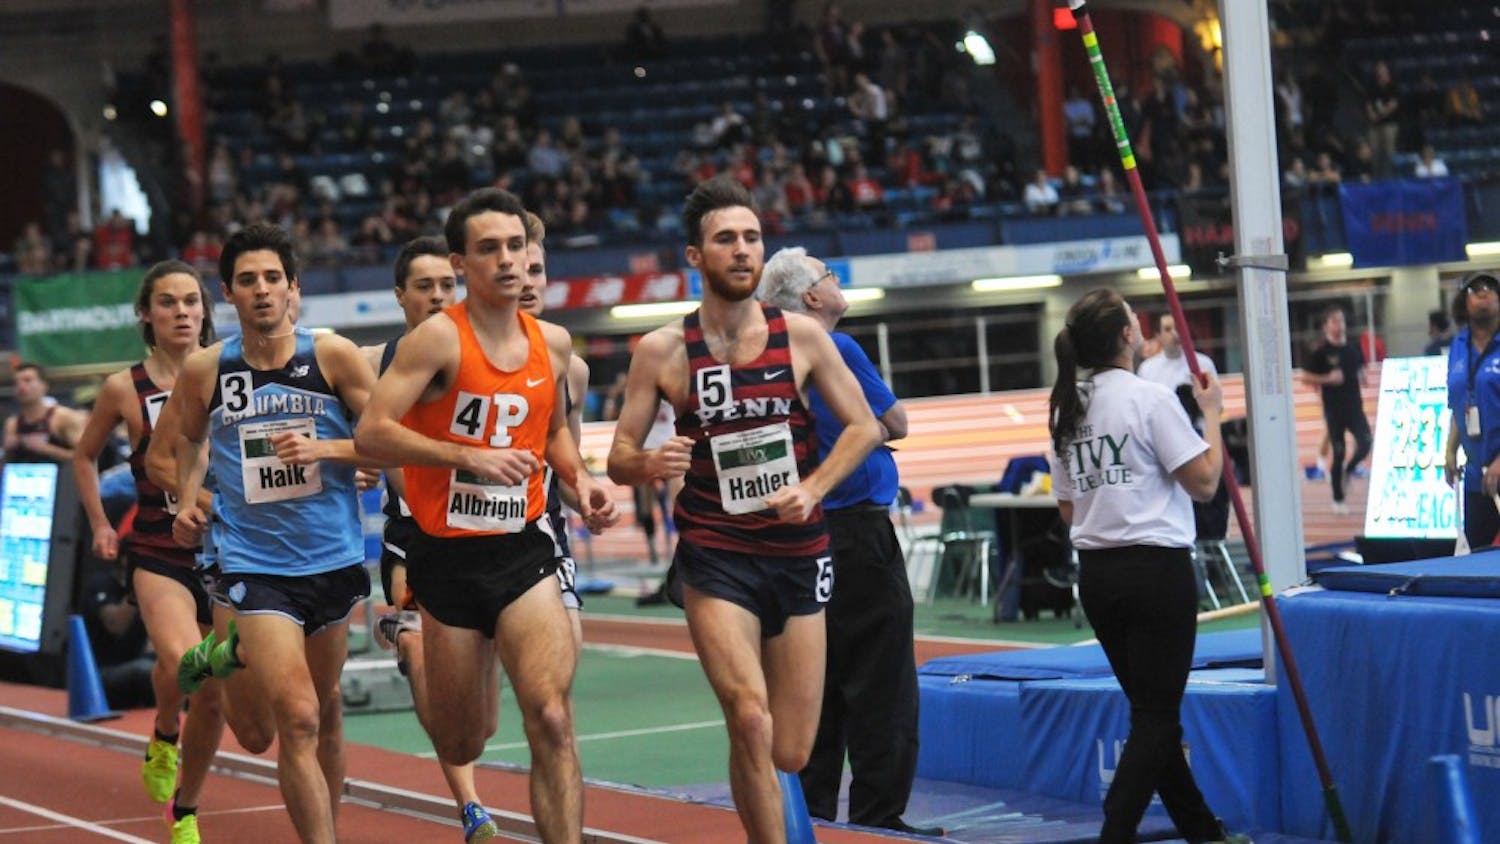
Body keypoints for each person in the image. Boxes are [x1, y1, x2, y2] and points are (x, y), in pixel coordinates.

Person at [605, 176, 880, 843]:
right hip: (715, 554)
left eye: (752, 238)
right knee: (747, 717)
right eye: (725, 239)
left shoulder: (804, 339)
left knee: (788, 747)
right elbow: (617, 455)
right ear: (695, 257)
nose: (741, 250)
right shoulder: (663, 352)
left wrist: (813, 488)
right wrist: (648, 463)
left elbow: (865, 427)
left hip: (798, 551)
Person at [354, 188, 616, 844]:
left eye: (516, 247)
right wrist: (459, 454)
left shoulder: (552, 344)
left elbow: (552, 432)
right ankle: (433, 662)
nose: (506, 261)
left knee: (552, 718)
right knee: (464, 737)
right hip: (445, 559)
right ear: (461, 263)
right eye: (488, 249)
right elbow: (372, 433)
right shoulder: (436, 341)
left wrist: (583, 483)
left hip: (523, 551)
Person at [162, 222, 378, 844]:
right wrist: (187, 500)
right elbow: (186, 441)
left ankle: (225, 655)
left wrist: (332, 450)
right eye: (248, 281)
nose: (262, 291)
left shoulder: (333, 356)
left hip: (334, 560)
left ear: (294, 290)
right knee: (298, 717)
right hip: (255, 566)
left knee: (325, 713)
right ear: (228, 294)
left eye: (273, 279)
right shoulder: (208, 368)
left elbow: (386, 439)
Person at [1048, 288, 1249, 844]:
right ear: (1126, 336)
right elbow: (1206, 483)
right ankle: (1116, 830)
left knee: (1153, 715)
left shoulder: (1068, 407)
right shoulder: (1149, 400)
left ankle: (1202, 832)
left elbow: (1068, 508)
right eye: (1134, 319)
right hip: (1155, 573)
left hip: (1099, 577)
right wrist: (1212, 417)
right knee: (1156, 717)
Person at [757, 247, 938, 836]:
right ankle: (879, 817)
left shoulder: (769, 355)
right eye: (831, 274)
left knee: (816, 680)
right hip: (855, 530)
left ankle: (811, 817)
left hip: (798, 537)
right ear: (811, 297)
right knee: (881, 680)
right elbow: (896, 423)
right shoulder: (836, 347)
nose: (839, 280)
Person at [71, 260, 223, 844]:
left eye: (191, 301)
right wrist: (98, 525)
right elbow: (84, 457)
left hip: (224, 549)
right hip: (158, 549)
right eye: (168, 302)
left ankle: (185, 806)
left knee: (207, 690)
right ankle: (165, 730)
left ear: (205, 310)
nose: (182, 312)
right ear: (146, 313)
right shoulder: (123, 387)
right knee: (191, 665)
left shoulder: (228, 371)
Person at [359, 236, 503, 842]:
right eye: (425, 287)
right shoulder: (371, 362)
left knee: (482, 715)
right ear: (401, 297)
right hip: (413, 538)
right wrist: (357, 462)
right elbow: (350, 433)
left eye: (447, 285)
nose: (439, 296)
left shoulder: (480, 353)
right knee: (423, 655)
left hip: (489, 532)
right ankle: (470, 804)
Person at [516, 211, 616, 650]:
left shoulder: (572, 369)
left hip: (544, 536)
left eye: (535, 271)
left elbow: (567, 466)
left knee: (560, 672)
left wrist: (589, 498)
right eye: (516, 271)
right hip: (468, 538)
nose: (526, 282)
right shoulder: (451, 357)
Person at [1446, 271, 1500, 550]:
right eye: (1475, 289)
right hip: (1478, 478)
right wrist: (1450, 450)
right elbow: (1459, 404)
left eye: (1490, 288)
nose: (1483, 292)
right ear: (1463, 302)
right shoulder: (1458, 346)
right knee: (1477, 556)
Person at [1301, 306, 1371, 515]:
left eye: (1341, 321)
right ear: (1326, 326)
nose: (1338, 325)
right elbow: (1305, 377)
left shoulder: (1353, 348)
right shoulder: (1321, 353)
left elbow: (1360, 367)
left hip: (1355, 408)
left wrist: (1362, 375)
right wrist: (1327, 379)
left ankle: (1348, 472)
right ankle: (1338, 498)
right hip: (1334, 410)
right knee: (1338, 452)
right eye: (1333, 321)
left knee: (1366, 443)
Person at [2, 362, 85, 466]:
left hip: (61, 478)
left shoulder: (64, 417)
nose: (21, 386)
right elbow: (6, 463)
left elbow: (85, 457)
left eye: (27, 380)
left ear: (44, 386)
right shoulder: (12, 424)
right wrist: (7, 450)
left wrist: (47, 449)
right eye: (17, 382)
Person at [1137, 313, 1217, 391]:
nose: (1175, 334)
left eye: (1178, 328)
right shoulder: (1147, 369)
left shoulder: (1204, 364)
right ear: (1158, 336)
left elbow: (1216, 399)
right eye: (1168, 329)